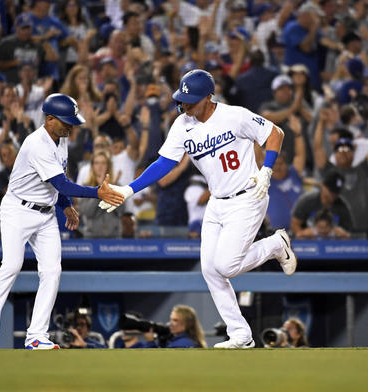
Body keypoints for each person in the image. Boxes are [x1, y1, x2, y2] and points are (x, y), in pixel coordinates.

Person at [98, 69, 296, 348]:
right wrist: (129, 189)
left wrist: (267, 169)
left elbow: (275, 133)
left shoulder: (234, 115)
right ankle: (240, 334)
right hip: (217, 202)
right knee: (209, 270)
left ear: (209, 97)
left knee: (225, 265)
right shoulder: (182, 124)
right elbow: (164, 163)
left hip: (248, 197)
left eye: (190, 100)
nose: (184, 105)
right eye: (181, 99)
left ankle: (275, 244)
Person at [0, 93, 124, 350]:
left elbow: (58, 180)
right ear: (50, 118)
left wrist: (65, 205)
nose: (70, 126)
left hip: (45, 213)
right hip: (18, 210)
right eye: (66, 121)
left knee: (52, 271)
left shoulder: (60, 138)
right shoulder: (36, 144)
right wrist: (96, 192)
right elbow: (61, 183)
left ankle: (36, 335)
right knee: (11, 266)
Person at [141, 305, 207, 348]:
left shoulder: (181, 344)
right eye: (171, 319)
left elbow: (158, 363)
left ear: (187, 323)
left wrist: (150, 342)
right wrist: (163, 342)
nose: (170, 324)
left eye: (175, 320)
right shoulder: (191, 341)